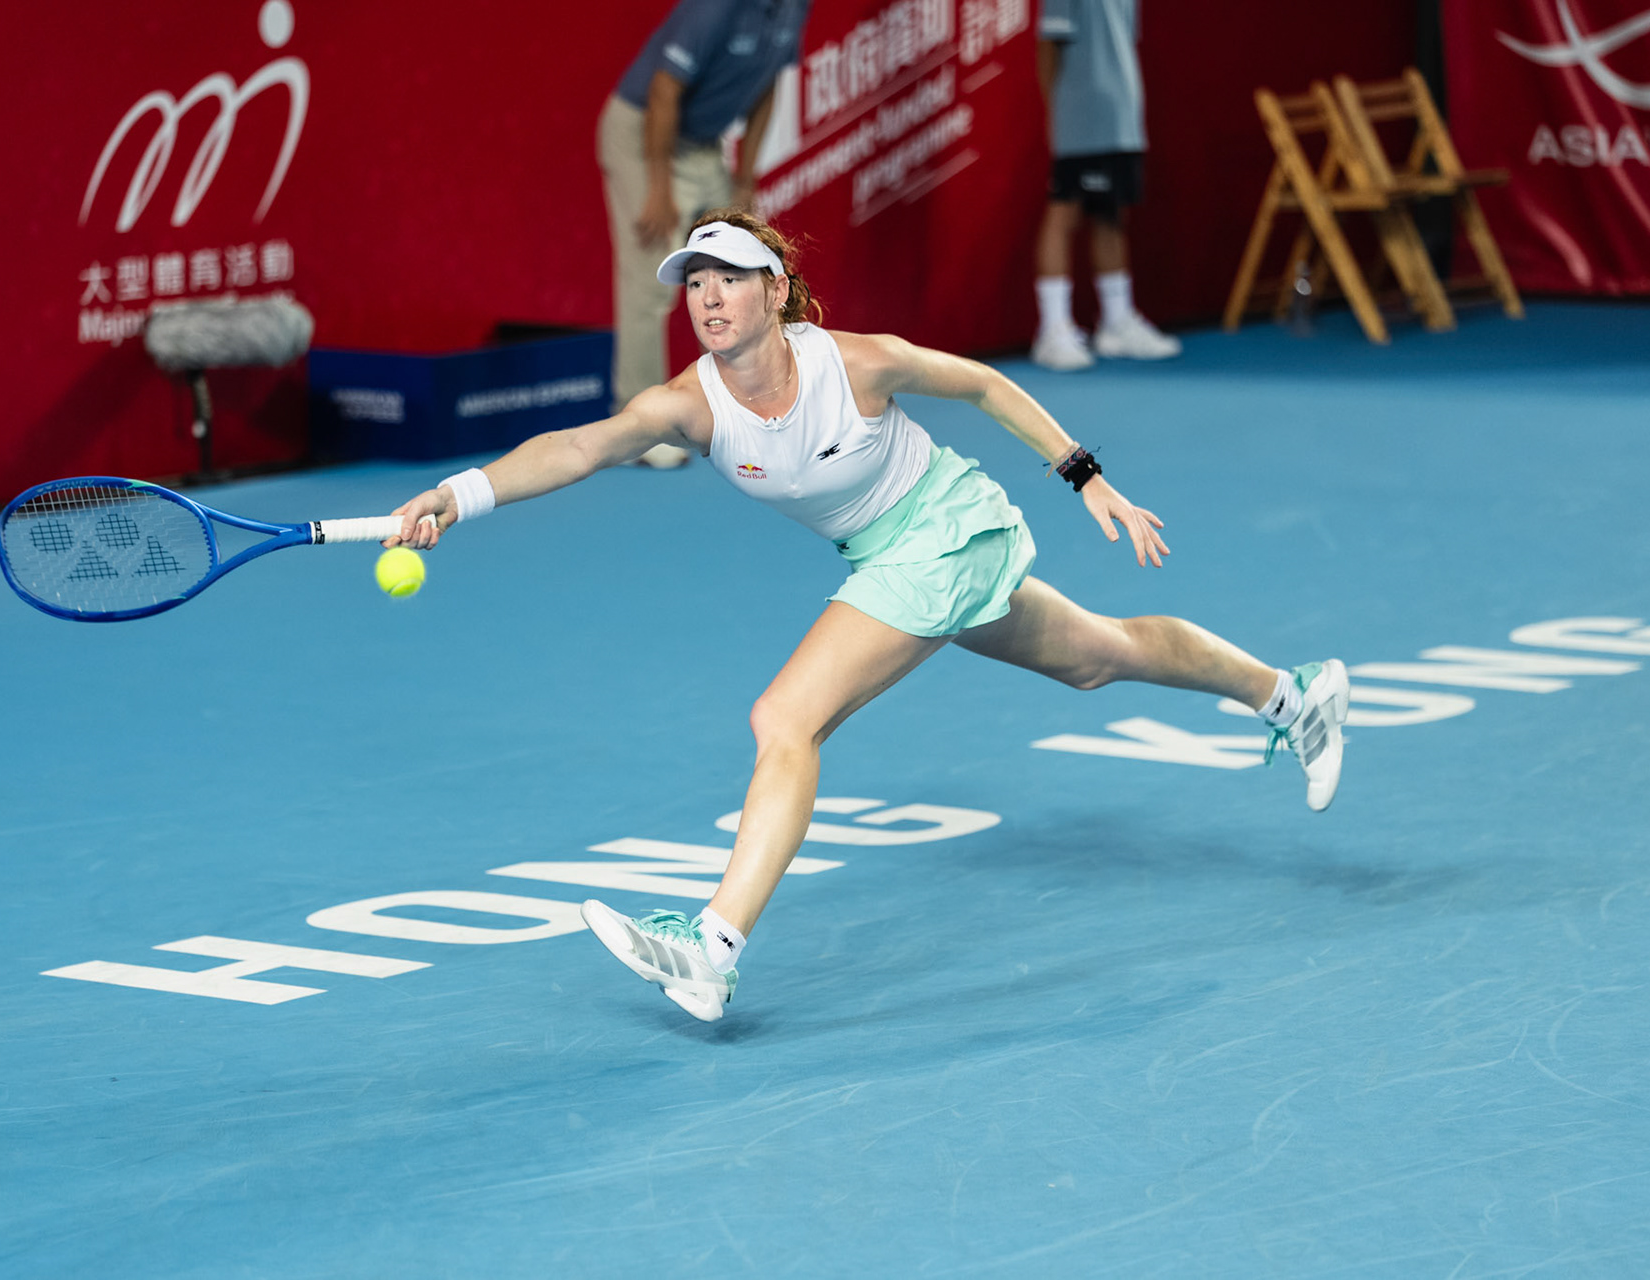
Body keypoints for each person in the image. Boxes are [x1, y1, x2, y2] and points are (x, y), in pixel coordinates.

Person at [385, 211, 1348, 1023]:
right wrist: (454, 495)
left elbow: (982, 382)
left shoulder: (858, 363)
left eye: (730, 279)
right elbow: (577, 448)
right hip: (890, 557)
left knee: (784, 720)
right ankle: (1292, 696)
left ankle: (712, 948)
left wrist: (1084, 476)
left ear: (775, 291)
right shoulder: (690, 404)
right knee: (1099, 655)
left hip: (945, 529)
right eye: (696, 284)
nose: (710, 298)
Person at [599, 0, 810, 467]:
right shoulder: (716, 8)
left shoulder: (797, 6)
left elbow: (767, 82)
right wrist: (658, 187)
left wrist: (746, 175)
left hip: (700, 145)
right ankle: (639, 429)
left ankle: (748, 409)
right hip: (644, 137)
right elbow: (662, 89)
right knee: (648, 285)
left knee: (741, 266)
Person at [1031, 0, 1181, 371]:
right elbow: (1048, 44)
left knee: (1111, 216)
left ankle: (1116, 321)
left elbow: (1121, 43)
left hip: (1123, 117)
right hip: (1081, 117)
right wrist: (1057, 112)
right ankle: (1052, 330)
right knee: (1064, 213)